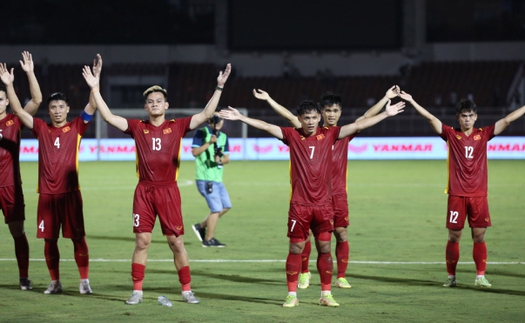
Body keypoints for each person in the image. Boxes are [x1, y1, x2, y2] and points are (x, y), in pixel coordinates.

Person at [220, 98, 404, 308]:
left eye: (314, 118)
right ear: (300, 119)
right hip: (299, 206)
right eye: (306, 118)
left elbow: (359, 124)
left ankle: (326, 294)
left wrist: (386, 114)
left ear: (319, 118)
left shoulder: (330, 135)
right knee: (296, 248)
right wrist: (241, 117)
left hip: (324, 205)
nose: (310, 122)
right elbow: (267, 126)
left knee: (325, 247)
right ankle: (291, 294)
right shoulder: (292, 135)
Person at [82, 58, 231, 305]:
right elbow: (108, 116)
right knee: (142, 241)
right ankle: (137, 291)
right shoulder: (137, 127)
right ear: (145, 107)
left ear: (166, 105)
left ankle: (186, 290)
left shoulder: (178, 126)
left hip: (169, 191)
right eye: (150, 102)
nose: (154, 104)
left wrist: (219, 87)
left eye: (158, 101)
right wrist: (95, 88)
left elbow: (206, 114)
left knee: (176, 242)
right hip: (144, 191)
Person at [253, 86, 400, 290]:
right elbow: (288, 116)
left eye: (335, 111)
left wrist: (385, 99)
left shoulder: (342, 133)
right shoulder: (307, 131)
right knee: (303, 238)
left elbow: (366, 118)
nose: (331, 115)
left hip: (336, 194)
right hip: (306, 194)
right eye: (328, 111)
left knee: (339, 235)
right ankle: (304, 272)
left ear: (340, 113)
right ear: (321, 113)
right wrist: (269, 99)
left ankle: (340, 276)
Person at [399, 91, 525, 288]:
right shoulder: (451, 134)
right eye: (463, 116)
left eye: (470, 115)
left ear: (476, 117)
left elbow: (507, 119)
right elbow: (431, 118)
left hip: (479, 195)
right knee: (454, 236)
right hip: (457, 195)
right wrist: (412, 101)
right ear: (458, 117)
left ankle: (480, 276)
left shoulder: (483, 134)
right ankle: (451, 276)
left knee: (479, 236)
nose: (467, 119)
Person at [0, 54, 101, 295]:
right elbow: (18, 110)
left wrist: (95, 85)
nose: (57, 111)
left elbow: (92, 106)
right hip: (46, 196)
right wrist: (11, 84)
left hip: (70, 195)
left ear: (67, 109)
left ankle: (84, 281)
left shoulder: (77, 126)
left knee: (78, 238)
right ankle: (54, 282)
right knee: (49, 241)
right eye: (53, 107)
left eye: (61, 107)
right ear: (49, 110)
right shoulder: (40, 129)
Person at [0, 51, 42, 290]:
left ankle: (23, 276)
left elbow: (36, 100)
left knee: (18, 232)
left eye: (0, 99)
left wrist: (29, 72)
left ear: (7, 102)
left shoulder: (15, 121)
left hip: (10, 187)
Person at [191, 111, 231, 247]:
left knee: (226, 206)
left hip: (218, 179)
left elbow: (227, 159)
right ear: (210, 120)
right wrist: (209, 142)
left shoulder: (224, 137)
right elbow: (195, 152)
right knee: (216, 209)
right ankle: (208, 240)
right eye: (216, 118)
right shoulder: (201, 133)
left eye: (221, 119)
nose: (219, 121)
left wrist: (220, 160)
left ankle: (201, 226)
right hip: (205, 178)